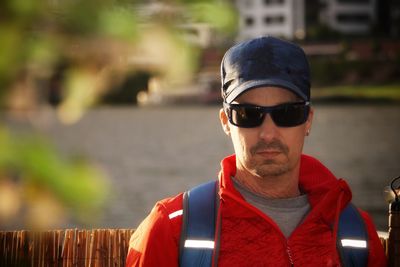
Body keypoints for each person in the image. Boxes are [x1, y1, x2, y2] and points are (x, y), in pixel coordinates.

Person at [126, 36, 387, 266]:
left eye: (287, 113)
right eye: (248, 114)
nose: (268, 133)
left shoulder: (356, 233)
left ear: (308, 120)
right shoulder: (171, 228)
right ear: (225, 122)